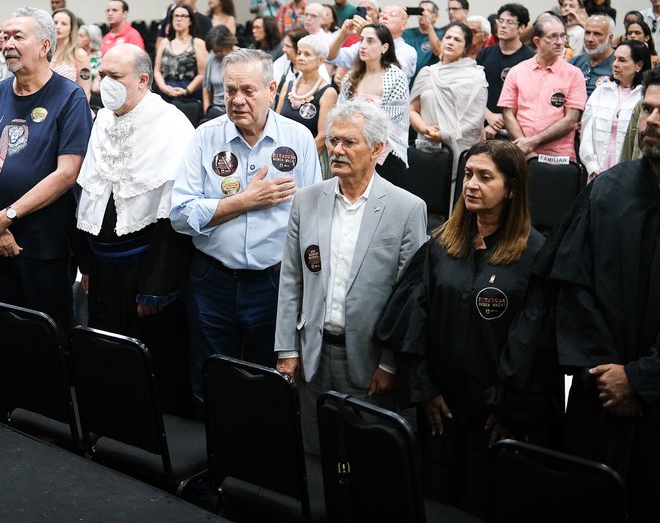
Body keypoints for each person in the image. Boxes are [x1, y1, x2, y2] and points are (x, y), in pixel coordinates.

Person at [376, 140, 547, 517]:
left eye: (486, 177)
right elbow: (412, 321)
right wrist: (424, 389)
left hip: (493, 418)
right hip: (441, 408)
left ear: (512, 188)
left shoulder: (535, 256)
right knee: (433, 501)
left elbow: (532, 344)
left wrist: (507, 409)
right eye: (468, 174)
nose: (471, 184)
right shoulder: (441, 245)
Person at [171, 49, 320, 405]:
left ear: (271, 89)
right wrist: (245, 201)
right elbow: (179, 215)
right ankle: (215, 456)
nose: (237, 100)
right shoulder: (205, 137)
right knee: (212, 381)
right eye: (230, 90)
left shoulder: (298, 139)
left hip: (274, 283)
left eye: (248, 91)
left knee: (267, 385)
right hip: (213, 281)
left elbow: (314, 221)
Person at [275, 101, 426, 454]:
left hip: (371, 360)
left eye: (349, 142)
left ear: (376, 148)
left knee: (365, 458)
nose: (337, 150)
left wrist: (389, 363)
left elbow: (411, 297)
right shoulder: (306, 200)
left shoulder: (407, 209)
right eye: (332, 141)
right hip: (313, 355)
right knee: (313, 453)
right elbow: (291, 279)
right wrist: (286, 349)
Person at [549, 67, 660, 521]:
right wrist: (609, 374)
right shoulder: (608, 191)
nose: (652, 120)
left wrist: (642, 378)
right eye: (649, 108)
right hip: (602, 393)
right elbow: (573, 285)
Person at [76, 44, 195, 414]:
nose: (104, 84)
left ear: (143, 80)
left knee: (146, 360)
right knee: (107, 352)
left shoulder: (172, 124)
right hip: (103, 264)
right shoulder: (102, 120)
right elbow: (91, 196)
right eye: (101, 76)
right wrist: (88, 266)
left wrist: (155, 288)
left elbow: (171, 213)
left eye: (115, 77)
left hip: (145, 269)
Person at [0, 6, 93, 333]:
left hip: (44, 243)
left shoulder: (70, 97)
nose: (7, 43)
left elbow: (67, 173)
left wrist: (6, 216)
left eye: (18, 36)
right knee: (8, 329)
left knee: (48, 332)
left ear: (44, 46)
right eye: (4, 36)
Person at [410, 22, 489, 200]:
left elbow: (475, 120)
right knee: (422, 197)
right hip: (425, 145)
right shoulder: (427, 73)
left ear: (466, 47)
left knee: (449, 201)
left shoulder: (475, 77)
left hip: (456, 149)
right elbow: (412, 110)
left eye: (457, 39)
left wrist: (445, 134)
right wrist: (425, 130)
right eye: (448, 37)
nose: (451, 42)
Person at [499, 14, 586, 161]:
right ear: (537, 41)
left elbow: (571, 120)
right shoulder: (517, 71)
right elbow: (508, 113)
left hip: (558, 156)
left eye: (562, 36)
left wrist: (532, 142)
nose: (559, 42)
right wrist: (525, 147)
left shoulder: (574, 74)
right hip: (521, 152)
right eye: (552, 37)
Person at [338, 23, 410, 187]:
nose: (363, 45)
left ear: (385, 47)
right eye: (361, 40)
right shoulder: (351, 76)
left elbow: (392, 121)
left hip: (385, 154)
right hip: (351, 151)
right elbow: (340, 114)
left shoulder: (396, 76)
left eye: (370, 41)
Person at [580, 40, 646, 181]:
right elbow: (586, 133)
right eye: (615, 59)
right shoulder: (602, 91)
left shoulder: (644, 96)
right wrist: (592, 167)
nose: (615, 64)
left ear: (638, 65)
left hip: (630, 173)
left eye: (622, 60)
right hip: (597, 171)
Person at [276, 33, 337, 178]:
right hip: (282, 157)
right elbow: (275, 121)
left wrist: (299, 161)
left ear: (321, 60)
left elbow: (323, 136)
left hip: (311, 159)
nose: (301, 57)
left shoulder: (328, 92)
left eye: (307, 54)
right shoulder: (288, 85)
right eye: (299, 53)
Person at [477, 3, 535, 140]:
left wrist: (500, 123)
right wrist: (488, 115)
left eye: (510, 22)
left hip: (514, 129)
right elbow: (473, 91)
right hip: (482, 123)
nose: (502, 26)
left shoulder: (530, 58)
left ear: (522, 28)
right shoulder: (485, 54)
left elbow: (528, 98)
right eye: (500, 21)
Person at [327, 5, 419, 83]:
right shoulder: (362, 45)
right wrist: (343, 34)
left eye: (392, 15)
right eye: (382, 14)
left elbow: (393, 74)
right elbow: (331, 57)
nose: (385, 17)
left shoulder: (407, 51)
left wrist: (373, 34)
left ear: (404, 25)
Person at [154, 7, 206, 102]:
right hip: (166, 89)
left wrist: (187, 91)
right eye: (176, 16)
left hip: (190, 91)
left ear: (190, 21)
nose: (178, 19)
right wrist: (163, 88)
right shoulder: (165, 42)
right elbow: (157, 71)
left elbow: (202, 74)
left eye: (183, 16)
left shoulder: (198, 43)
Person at [51, 8, 92, 100]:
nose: (58, 26)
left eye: (64, 24)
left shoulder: (79, 54)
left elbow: (86, 90)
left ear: (71, 28)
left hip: (71, 106)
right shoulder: (45, 52)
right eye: (55, 22)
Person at [571, 15, 616, 97]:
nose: (589, 39)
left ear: (610, 38)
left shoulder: (617, 65)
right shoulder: (574, 63)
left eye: (597, 34)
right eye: (587, 33)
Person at [402, 0, 444, 80]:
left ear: (435, 16)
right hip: (407, 80)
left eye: (427, 11)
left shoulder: (441, 34)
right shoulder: (407, 33)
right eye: (420, 11)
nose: (423, 14)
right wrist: (402, 19)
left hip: (428, 82)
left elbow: (438, 52)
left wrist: (429, 26)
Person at [201, 25, 235, 121]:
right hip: (215, 109)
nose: (217, 54)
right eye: (215, 51)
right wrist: (206, 110)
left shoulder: (241, 57)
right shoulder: (212, 58)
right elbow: (206, 89)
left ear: (228, 44)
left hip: (234, 109)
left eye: (220, 50)